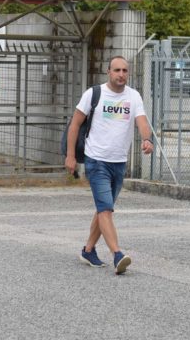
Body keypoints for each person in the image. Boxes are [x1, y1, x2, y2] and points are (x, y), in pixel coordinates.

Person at [65, 55, 153, 275]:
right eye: (117, 70)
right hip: (96, 160)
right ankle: (117, 254)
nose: (121, 75)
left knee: (104, 208)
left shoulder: (133, 96)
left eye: (124, 71)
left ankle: (88, 250)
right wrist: (70, 156)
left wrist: (146, 139)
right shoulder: (94, 93)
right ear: (108, 72)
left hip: (119, 162)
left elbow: (142, 121)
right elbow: (75, 124)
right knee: (105, 208)